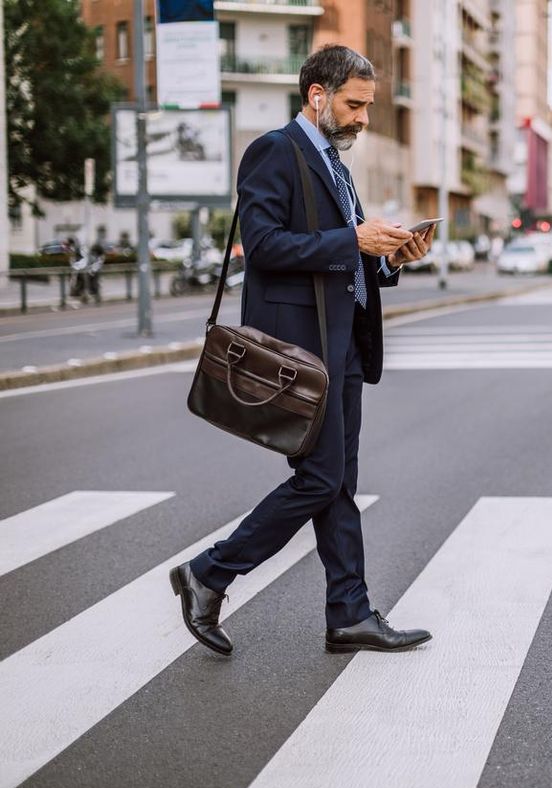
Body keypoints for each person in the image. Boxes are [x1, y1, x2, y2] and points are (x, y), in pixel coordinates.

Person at [169, 45, 435, 657]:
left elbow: (346, 254)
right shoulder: (274, 152)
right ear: (317, 94)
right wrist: (353, 237)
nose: (364, 118)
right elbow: (262, 246)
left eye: (368, 106)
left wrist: (388, 258)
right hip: (298, 353)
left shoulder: (337, 167)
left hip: (341, 347)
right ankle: (210, 573)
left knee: (338, 482)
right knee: (320, 479)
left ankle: (349, 615)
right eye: (355, 104)